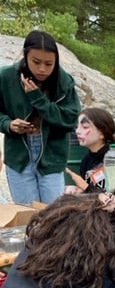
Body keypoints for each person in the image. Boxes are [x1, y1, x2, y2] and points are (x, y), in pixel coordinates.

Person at [0, 30, 81, 205]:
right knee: (28, 216)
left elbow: (70, 120)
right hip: (19, 157)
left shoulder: (64, 82)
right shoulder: (6, 77)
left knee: (54, 217)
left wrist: (37, 98)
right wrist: (8, 124)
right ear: (25, 55)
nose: (42, 69)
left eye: (49, 63)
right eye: (36, 62)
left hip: (52, 156)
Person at [65, 107, 115, 193]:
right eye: (77, 127)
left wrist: (84, 186)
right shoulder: (86, 160)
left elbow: (114, 196)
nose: (77, 131)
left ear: (102, 133)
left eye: (85, 127)